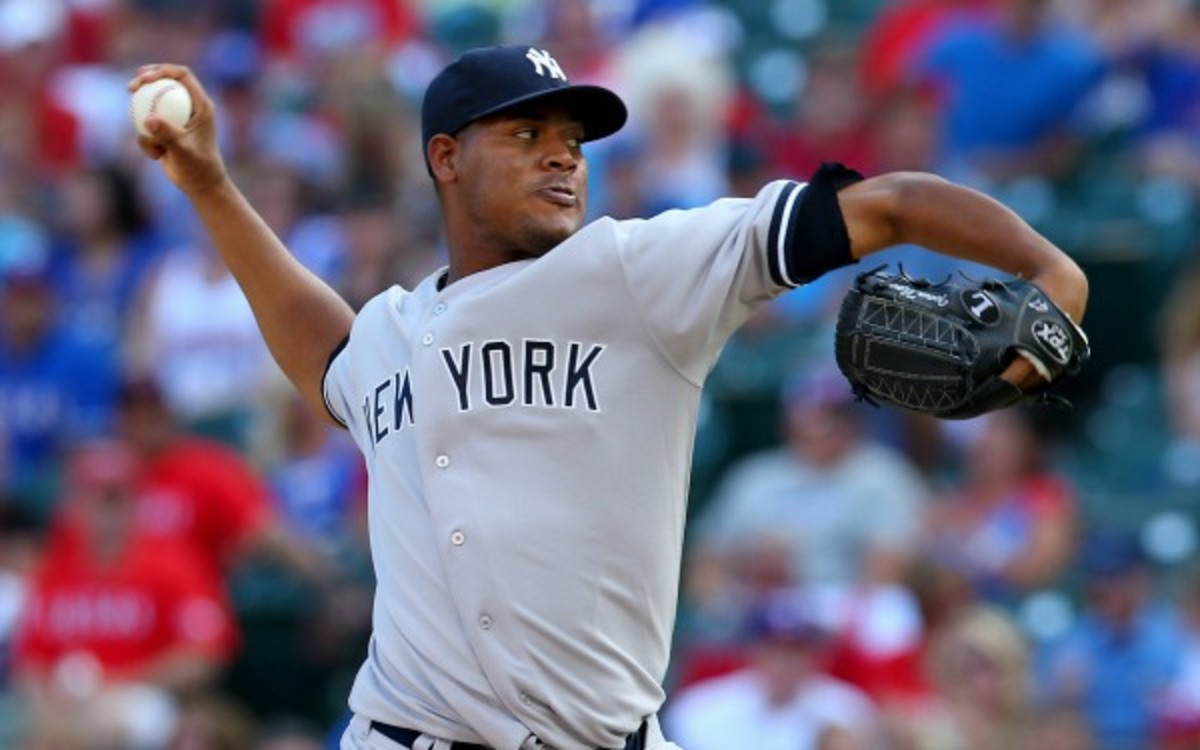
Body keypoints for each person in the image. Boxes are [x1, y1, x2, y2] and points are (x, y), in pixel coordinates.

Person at [128, 42, 1089, 750]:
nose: (563, 155)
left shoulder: (640, 270)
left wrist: (1050, 268)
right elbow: (328, 358)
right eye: (527, 132)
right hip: (400, 730)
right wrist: (210, 185)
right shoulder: (388, 333)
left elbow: (891, 205)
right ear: (445, 158)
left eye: (572, 140)